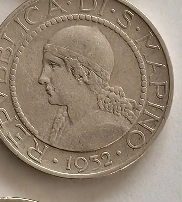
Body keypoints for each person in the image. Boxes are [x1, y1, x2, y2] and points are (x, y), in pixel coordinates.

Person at [37, 23, 138, 151]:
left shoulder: (107, 130)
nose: (42, 78)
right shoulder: (61, 126)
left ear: (84, 74)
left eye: (53, 65)